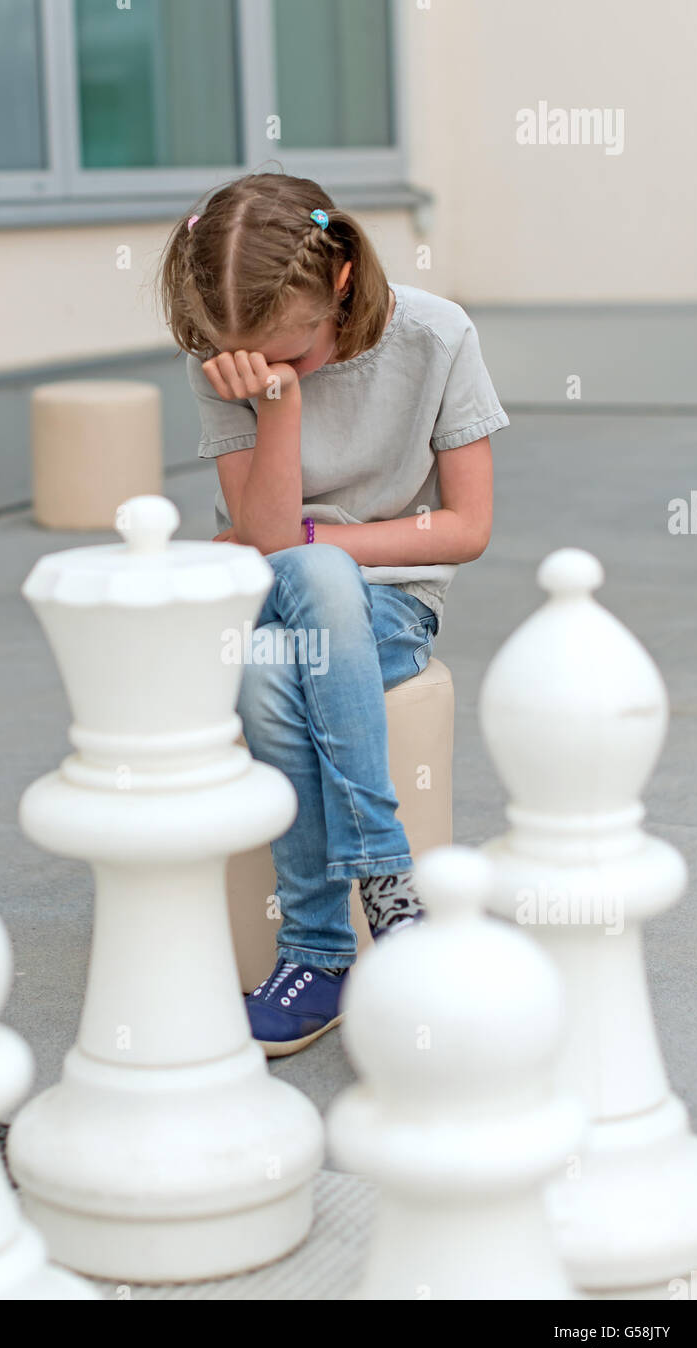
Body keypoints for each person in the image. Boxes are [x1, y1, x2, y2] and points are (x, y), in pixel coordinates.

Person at [158, 172, 508, 1056]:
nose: (271, 369)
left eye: (294, 355)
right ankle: (391, 886)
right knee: (295, 597)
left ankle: (315, 954)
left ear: (342, 277)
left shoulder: (437, 335)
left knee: (281, 650)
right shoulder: (229, 362)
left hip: (391, 603)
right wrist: (278, 403)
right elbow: (268, 545)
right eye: (255, 360)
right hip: (277, 597)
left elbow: (466, 529)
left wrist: (319, 544)